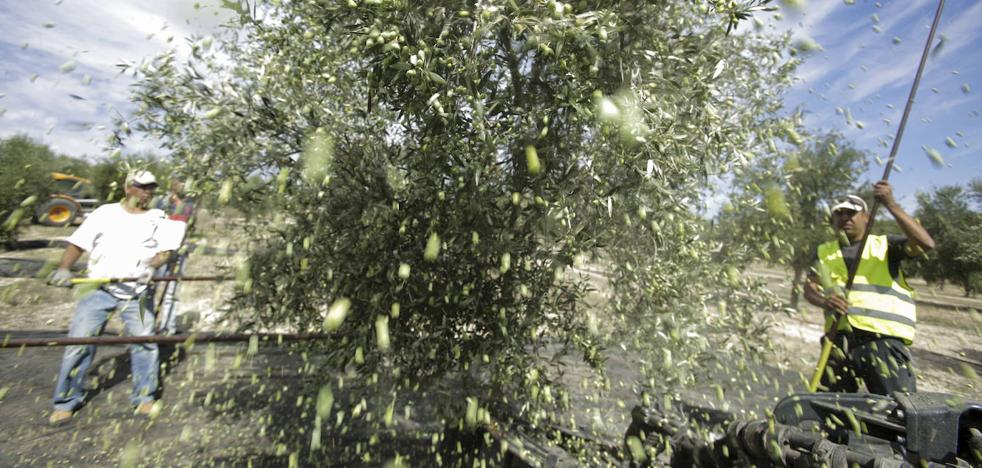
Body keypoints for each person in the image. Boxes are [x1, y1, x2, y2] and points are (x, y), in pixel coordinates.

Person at [46, 170, 180, 425]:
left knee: (144, 342)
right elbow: (78, 244)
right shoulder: (104, 214)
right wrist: (64, 268)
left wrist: (155, 264)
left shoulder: (158, 217)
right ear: (128, 187)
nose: (148, 192)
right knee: (79, 344)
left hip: (139, 295)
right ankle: (65, 402)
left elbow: (166, 251)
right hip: (98, 290)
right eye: (142, 187)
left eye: (151, 187)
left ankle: (144, 398)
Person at [803, 181, 935, 395]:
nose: (845, 218)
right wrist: (824, 301)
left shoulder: (885, 246)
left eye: (851, 213)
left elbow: (926, 244)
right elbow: (809, 289)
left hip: (882, 342)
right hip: (838, 341)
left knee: (898, 410)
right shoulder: (823, 252)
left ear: (867, 217)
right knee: (829, 409)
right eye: (840, 213)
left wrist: (891, 205)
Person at [152, 179, 195, 335]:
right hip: (159, 250)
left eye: (185, 182)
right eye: (180, 182)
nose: (183, 185)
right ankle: (146, 326)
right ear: (173, 184)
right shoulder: (161, 202)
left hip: (179, 252)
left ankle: (167, 327)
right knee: (151, 287)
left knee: (172, 291)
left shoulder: (191, 204)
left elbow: (188, 225)